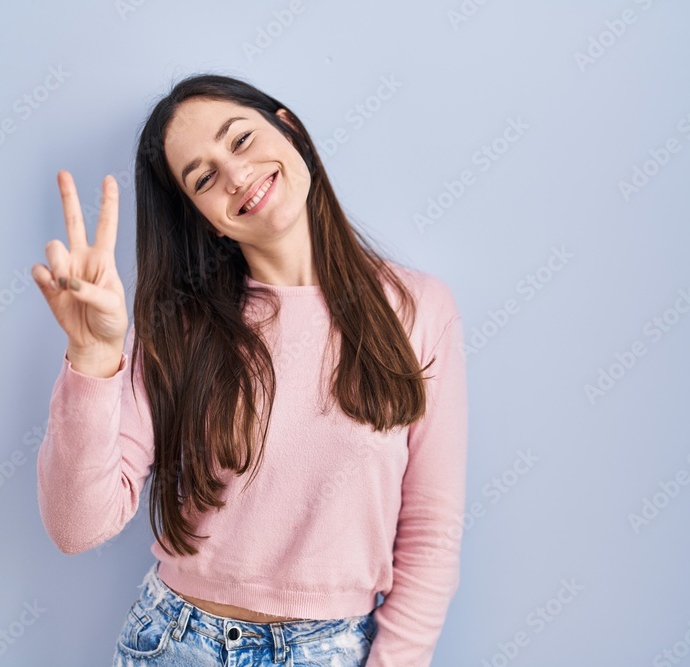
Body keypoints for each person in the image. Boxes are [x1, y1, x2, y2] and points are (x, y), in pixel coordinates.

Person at [30, 73, 468, 666]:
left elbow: (430, 532)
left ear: (289, 129)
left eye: (239, 140)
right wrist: (91, 358)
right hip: (178, 643)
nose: (236, 176)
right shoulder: (179, 328)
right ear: (206, 218)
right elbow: (75, 527)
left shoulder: (417, 309)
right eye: (204, 178)